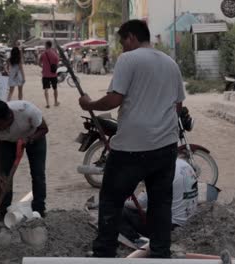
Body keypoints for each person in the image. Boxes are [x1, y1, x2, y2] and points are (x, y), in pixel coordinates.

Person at [79, 19, 185, 258]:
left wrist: (89, 105)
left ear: (131, 38)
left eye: (123, 42)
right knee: (160, 204)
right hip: (165, 146)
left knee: (111, 201)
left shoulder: (129, 59)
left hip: (131, 147)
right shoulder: (170, 63)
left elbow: (114, 99)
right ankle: (160, 254)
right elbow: (178, 106)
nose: (123, 48)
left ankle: (104, 253)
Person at [0, 99, 48, 219]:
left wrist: (30, 139)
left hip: (34, 138)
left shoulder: (28, 111)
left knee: (38, 174)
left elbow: (44, 129)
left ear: (9, 117)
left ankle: (39, 211)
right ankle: (4, 213)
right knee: (4, 177)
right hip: (8, 142)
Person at [119, 159, 198, 245]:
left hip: (170, 226)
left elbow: (139, 203)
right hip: (190, 220)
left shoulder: (161, 172)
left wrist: (119, 200)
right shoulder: (184, 164)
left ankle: (138, 242)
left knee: (119, 211)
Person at [39, 41, 59, 108]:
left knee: (46, 89)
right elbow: (57, 63)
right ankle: (55, 102)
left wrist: (43, 67)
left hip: (45, 74)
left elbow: (38, 62)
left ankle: (48, 103)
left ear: (47, 45)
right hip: (53, 74)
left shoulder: (43, 54)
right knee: (55, 88)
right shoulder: (55, 53)